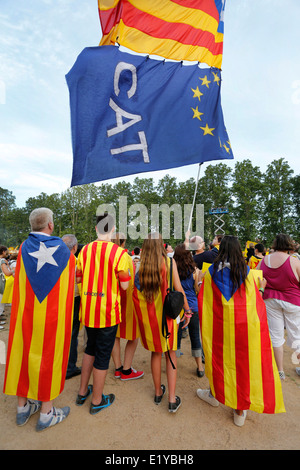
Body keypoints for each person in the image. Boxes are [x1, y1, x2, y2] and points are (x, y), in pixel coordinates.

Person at [197, 235, 285, 426]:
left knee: (219, 361)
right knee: (242, 367)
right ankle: (239, 410)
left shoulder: (211, 273)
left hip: (220, 331)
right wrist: (261, 290)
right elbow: (257, 305)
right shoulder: (251, 274)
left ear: (221, 251)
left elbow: (205, 302)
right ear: (239, 251)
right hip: (245, 331)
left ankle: (214, 394)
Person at [3, 208, 75, 431]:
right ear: (51, 225)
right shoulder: (63, 250)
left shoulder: (24, 247)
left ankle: (22, 407)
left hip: (25, 314)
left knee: (23, 355)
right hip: (52, 316)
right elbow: (70, 281)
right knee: (48, 359)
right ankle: (46, 412)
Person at [75, 214, 131, 415]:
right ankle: (97, 400)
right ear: (113, 229)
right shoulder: (120, 253)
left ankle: (83, 392)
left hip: (88, 309)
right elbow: (124, 286)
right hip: (107, 312)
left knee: (90, 348)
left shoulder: (84, 251)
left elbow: (78, 279)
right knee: (102, 355)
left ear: (97, 229)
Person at [133, 233, 191, 413]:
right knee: (171, 354)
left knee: (156, 354)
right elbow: (179, 288)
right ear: (160, 246)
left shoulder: (140, 266)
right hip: (168, 318)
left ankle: (158, 392)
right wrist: (187, 310)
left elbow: (137, 293)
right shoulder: (168, 262)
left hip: (151, 319)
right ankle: (172, 399)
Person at [257, 233, 300, 380]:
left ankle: (280, 371)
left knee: (276, 336)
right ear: (289, 245)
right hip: (293, 301)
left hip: (270, 300)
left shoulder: (264, 260)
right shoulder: (294, 261)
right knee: (296, 335)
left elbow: (257, 279)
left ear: (275, 244)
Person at [111, 232, 144, 381]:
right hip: (127, 299)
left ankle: (118, 368)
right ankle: (126, 370)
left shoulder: (107, 254)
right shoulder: (124, 256)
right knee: (133, 336)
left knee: (114, 334)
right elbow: (129, 282)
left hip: (111, 300)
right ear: (123, 242)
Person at [173, 243, 205, 377]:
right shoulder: (195, 271)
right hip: (193, 306)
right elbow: (197, 290)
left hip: (177, 307)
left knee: (176, 336)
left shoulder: (172, 270)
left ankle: (173, 364)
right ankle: (200, 367)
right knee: (195, 336)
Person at [62, 234, 82, 380]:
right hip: (73, 300)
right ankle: (69, 367)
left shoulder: (54, 260)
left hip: (56, 302)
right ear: (75, 248)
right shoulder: (75, 262)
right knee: (72, 334)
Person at [0, 246, 14, 328]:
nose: (7, 253)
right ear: (3, 252)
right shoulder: (2, 261)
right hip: (1, 282)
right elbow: (7, 273)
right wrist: (14, 270)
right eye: (6, 251)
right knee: (0, 302)